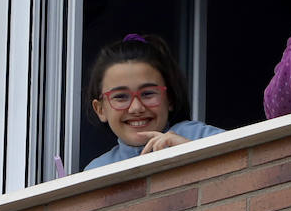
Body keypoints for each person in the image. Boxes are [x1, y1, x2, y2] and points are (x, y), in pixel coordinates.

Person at [84, 34, 224, 171]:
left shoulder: (196, 136)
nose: (136, 108)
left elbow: (244, 165)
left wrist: (192, 153)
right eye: (120, 96)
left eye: (148, 93)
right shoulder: (97, 170)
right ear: (100, 110)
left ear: (170, 98)